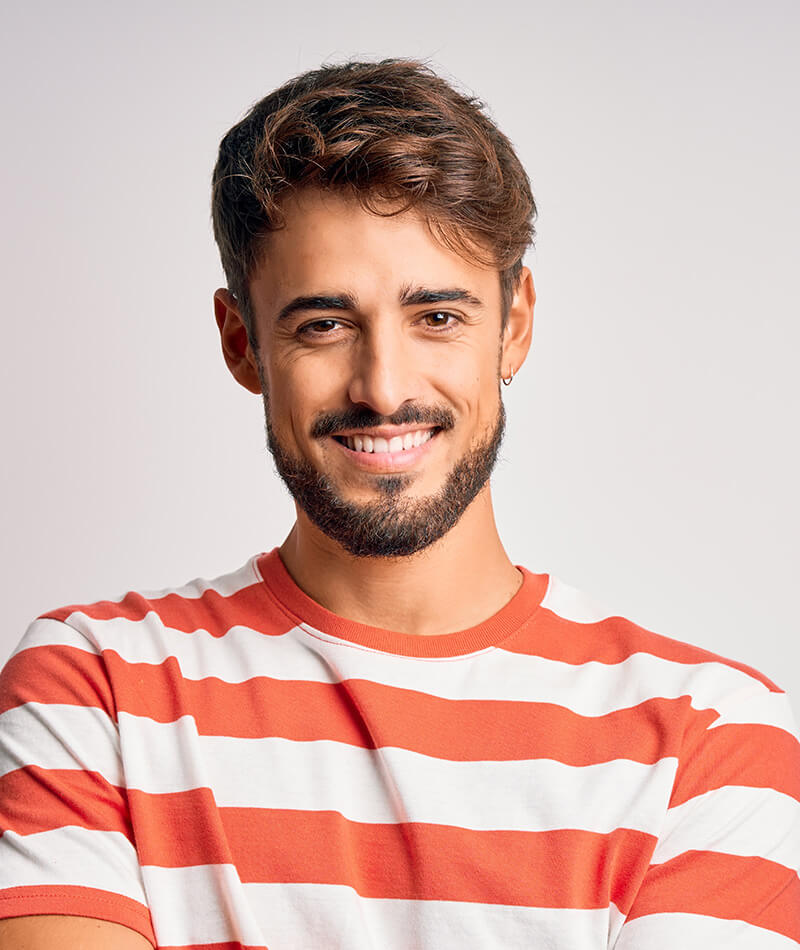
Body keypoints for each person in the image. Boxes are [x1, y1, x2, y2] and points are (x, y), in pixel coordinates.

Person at [0, 58, 798, 950]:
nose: (384, 389)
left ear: (516, 325)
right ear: (242, 344)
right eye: (323, 324)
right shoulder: (95, 689)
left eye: (439, 317)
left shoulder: (712, 739)